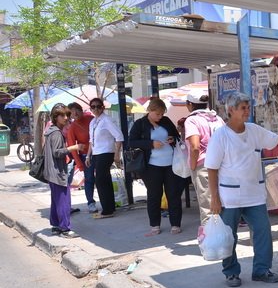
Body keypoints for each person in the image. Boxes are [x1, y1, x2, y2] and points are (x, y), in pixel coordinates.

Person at [206, 92, 278, 287]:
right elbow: (211, 169)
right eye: (243, 108)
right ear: (231, 111)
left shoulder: (254, 130)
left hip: (254, 194)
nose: (248, 111)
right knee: (229, 235)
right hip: (229, 196)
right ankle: (231, 272)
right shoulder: (221, 136)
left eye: (248, 107)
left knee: (263, 231)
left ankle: (262, 270)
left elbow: (276, 139)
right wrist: (214, 198)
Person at [129, 98, 183, 236]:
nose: (160, 117)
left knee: (173, 195)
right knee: (154, 195)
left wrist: (172, 139)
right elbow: (132, 142)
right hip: (151, 166)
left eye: (161, 114)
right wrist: (151, 144)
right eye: (157, 114)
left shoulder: (165, 121)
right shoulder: (140, 124)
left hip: (170, 163)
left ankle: (176, 224)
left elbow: (177, 136)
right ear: (149, 111)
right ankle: (154, 225)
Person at [183, 90, 224, 225]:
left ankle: (211, 240)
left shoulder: (192, 120)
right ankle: (225, 235)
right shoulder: (218, 119)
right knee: (222, 202)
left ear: (190, 105)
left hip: (204, 166)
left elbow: (195, 147)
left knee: (207, 205)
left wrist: (193, 165)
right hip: (222, 164)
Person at [44, 106, 83, 238]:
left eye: (67, 115)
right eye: (62, 115)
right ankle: (65, 229)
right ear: (55, 117)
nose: (65, 118)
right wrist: (74, 147)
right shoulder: (56, 133)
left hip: (52, 172)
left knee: (56, 201)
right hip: (57, 172)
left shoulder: (51, 131)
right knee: (64, 201)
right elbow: (57, 152)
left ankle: (56, 226)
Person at [87, 97, 123, 219]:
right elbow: (91, 141)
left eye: (98, 106)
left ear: (103, 107)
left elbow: (119, 136)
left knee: (100, 181)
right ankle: (109, 207)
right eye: (93, 107)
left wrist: (117, 154)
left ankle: (107, 210)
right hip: (96, 153)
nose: (96, 109)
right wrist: (88, 155)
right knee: (105, 180)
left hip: (106, 152)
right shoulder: (93, 122)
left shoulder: (107, 120)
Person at [66, 102, 97, 213]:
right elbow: (72, 147)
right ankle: (91, 202)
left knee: (103, 177)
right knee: (89, 179)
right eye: (72, 113)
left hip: (99, 151)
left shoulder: (91, 119)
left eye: (76, 110)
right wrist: (79, 163)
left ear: (81, 110)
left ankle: (107, 200)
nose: (75, 113)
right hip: (85, 155)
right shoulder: (72, 127)